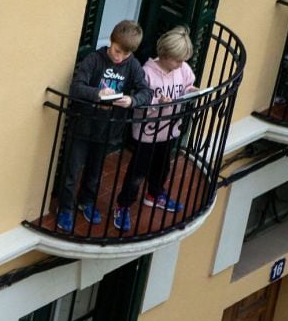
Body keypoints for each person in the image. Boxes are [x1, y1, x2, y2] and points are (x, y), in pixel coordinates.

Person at [57, 20, 151, 233]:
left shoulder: (133, 66)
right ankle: (66, 208)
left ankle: (87, 202)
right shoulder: (93, 60)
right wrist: (97, 94)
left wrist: (131, 100)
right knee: (72, 169)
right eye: (117, 50)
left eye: (125, 54)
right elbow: (76, 87)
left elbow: (146, 92)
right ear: (111, 41)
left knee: (95, 170)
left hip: (108, 129)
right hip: (83, 125)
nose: (119, 57)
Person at [114, 26, 198, 226]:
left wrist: (191, 90)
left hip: (170, 128)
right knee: (138, 171)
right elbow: (139, 104)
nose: (180, 64)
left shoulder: (184, 69)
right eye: (177, 60)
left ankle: (154, 194)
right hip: (148, 133)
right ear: (165, 54)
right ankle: (123, 205)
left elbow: (187, 86)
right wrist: (156, 103)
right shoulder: (146, 73)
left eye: (183, 60)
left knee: (163, 166)